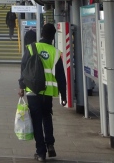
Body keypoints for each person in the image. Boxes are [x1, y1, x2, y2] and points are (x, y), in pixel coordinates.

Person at [18, 23, 67, 162]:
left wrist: (21, 86)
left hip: (33, 91)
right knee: (47, 116)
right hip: (48, 93)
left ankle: (41, 153)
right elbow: (61, 76)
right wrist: (64, 95)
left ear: (42, 34)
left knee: (37, 121)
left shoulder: (32, 48)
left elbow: (24, 69)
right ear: (53, 36)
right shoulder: (55, 52)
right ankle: (50, 143)